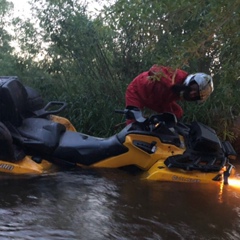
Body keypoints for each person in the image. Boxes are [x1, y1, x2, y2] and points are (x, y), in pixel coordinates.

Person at [125, 64, 214, 123]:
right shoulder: (177, 75)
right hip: (137, 91)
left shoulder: (182, 92)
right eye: (194, 89)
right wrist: (171, 85)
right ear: (192, 81)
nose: (192, 94)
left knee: (177, 113)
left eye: (195, 96)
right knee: (132, 123)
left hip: (157, 100)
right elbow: (154, 69)